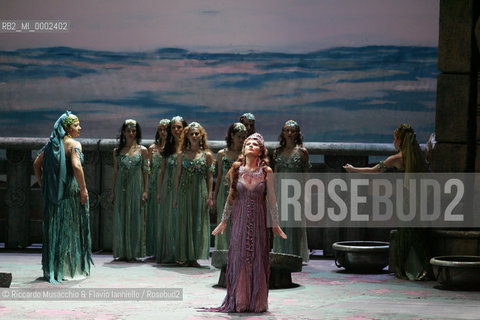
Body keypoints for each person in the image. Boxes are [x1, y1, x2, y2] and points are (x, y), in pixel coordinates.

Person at [210, 133, 287, 313]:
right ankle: (241, 300)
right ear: (243, 149)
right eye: (248, 143)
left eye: (255, 144)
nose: (251, 146)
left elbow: (272, 199)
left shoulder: (266, 172)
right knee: (240, 256)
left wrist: (275, 223)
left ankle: (257, 302)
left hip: (259, 220)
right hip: (240, 219)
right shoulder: (236, 168)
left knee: (257, 256)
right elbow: (231, 197)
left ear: (260, 151)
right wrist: (223, 221)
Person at [343, 124, 432, 280]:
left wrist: (353, 169)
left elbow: (374, 170)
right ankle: (423, 267)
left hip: (405, 199)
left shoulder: (397, 158)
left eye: (394, 138)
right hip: (419, 198)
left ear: (400, 140)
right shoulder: (419, 158)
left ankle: (410, 268)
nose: (393, 142)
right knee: (418, 232)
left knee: (407, 232)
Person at [33, 111, 92, 284]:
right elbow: (76, 165)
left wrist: (43, 184)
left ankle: (55, 268)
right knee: (71, 228)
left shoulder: (52, 145)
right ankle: (70, 269)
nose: (80, 128)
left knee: (56, 228)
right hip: (70, 192)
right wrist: (84, 189)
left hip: (54, 194)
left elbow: (36, 164)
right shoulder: (74, 144)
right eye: (76, 125)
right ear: (67, 128)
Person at [174, 122, 214, 266]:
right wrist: (175, 197)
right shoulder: (182, 154)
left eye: (197, 133)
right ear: (187, 136)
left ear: (201, 136)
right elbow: (178, 176)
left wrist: (210, 196)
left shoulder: (207, 155)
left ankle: (195, 256)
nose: (195, 136)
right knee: (185, 222)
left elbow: (210, 176)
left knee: (198, 222)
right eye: (192, 134)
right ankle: (184, 256)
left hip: (200, 191)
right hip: (184, 192)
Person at [272, 120, 311, 262]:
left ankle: (294, 254)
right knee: (281, 221)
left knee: (295, 223)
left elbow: (306, 176)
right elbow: (275, 176)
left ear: (297, 134)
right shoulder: (278, 151)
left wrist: (306, 196)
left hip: (296, 191)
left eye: (292, 131)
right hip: (281, 191)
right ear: (283, 132)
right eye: (287, 130)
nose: (289, 133)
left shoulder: (302, 152)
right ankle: (281, 252)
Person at [111, 119, 149, 261]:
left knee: (135, 217)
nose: (131, 133)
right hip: (122, 187)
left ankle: (133, 252)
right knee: (122, 217)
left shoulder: (143, 150)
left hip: (136, 186)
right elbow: (115, 172)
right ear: (123, 132)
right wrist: (113, 192)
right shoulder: (117, 151)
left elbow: (146, 171)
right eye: (129, 131)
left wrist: (145, 191)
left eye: (134, 131)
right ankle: (123, 252)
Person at [156, 116, 187, 264]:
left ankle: (182, 254)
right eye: (174, 127)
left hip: (183, 188)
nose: (176, 130)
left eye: (179, 127)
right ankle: (169, 253)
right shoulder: (167, 148)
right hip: (168, 188)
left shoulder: (188, 147)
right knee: (169, 220)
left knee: (181, 220)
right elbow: (162, 171)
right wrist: (159, 192)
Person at [213, 122, 247, 250]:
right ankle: (224, 252)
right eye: (239, 136)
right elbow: (221, 175)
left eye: (244, 136)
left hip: (241, 192)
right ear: (232, 136)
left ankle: (239, 251)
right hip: (224, 191)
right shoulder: (223, 153)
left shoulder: (245, 154)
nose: (242, 139)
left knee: (240, 222)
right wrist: (215, 196)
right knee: (224, 220)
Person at [145, 119, 169, 258]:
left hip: (167, 183)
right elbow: (148, 169)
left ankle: (166, 248)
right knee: (154, 216)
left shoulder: (173, 148)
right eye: (161, 130)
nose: (163, 132)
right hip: (154, 184)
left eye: (166, 130)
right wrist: (146, 189)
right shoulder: (152, 148)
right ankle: (155, 249)